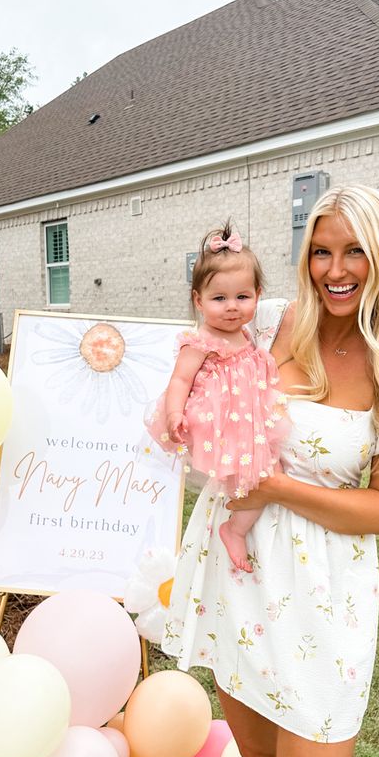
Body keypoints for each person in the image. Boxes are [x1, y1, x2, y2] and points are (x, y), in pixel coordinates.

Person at [162, 186, 379, 757]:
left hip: (326, 600)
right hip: (239, 576)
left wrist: (276, 488)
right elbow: (204, 349)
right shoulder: (280, 322)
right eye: (321, 251)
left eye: (354, 250)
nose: (335, 268)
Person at [146, 222, 289, 572]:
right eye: (219, 298)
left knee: (272, 474)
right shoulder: (201, 341)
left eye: (243, 297)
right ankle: (234, 530)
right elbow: (180, 379)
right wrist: (174, 413)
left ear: (257, 294)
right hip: (219, 425)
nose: (231, 307)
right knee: (255, 478)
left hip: (250, 423)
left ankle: (234, 527)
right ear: (199, 300)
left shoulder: (246, 334)